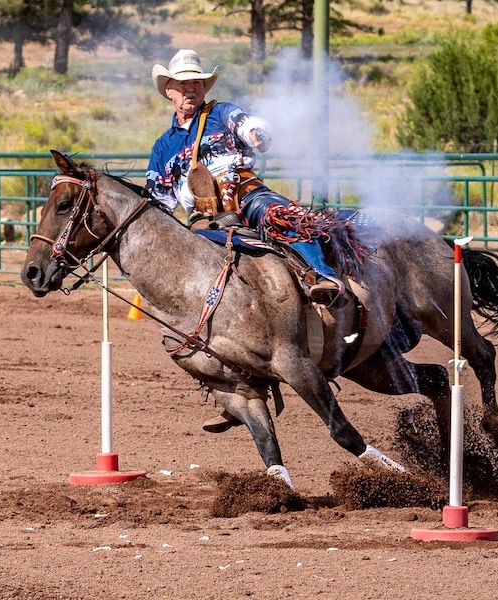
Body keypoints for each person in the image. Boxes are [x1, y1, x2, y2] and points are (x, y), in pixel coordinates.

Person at [145, 49, 347, 434]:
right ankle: (231, 386)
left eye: (196, 82)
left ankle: (320, 276)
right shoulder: (162, 148)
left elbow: (248, 123)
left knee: (284, 219)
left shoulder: (221, 114)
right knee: (195, 304)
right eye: (183, 83)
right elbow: (157, 201)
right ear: (169, 90)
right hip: (204, 222)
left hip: (245, 196)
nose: (190, 88)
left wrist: (257, 133)